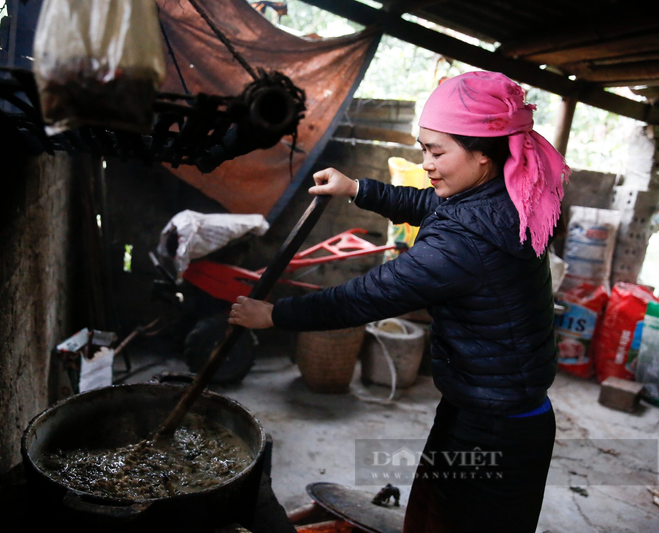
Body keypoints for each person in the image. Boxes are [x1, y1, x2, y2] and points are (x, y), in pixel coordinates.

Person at [228, 71, 570, 532]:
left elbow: (367, 297)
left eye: (437, 151)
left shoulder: (466, 241)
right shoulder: (500, 194)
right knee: (431, 516)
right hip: (484, 403)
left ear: (484, 155)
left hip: (499, 428)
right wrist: (356, 189)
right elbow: (429, 204)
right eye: (423, 148)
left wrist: (275, 314)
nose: (426, 162)